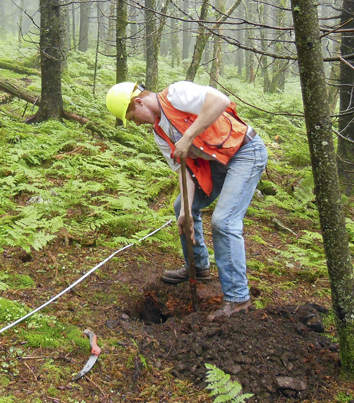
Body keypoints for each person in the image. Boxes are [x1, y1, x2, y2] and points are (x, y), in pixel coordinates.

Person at [106, 80, 267, 320]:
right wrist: (186, 212)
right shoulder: (160, 134)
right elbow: (187, 172)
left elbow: (220, 101)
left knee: (224, 222)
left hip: (244, 152)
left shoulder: (176, 94)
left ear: (138, 102)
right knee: (181, 205)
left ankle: (238, 299)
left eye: (132, 117)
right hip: (214, 164)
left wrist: (188, 136)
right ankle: (198, 266)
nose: (136, 123)